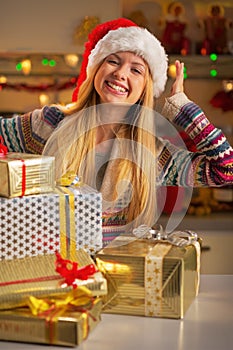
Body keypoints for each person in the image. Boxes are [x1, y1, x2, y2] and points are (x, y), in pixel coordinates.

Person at [0, 18, 233, 234]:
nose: (120, 73)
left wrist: (183, 109)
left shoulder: (151, 153)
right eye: (113, 61)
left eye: (136, 70)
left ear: (145, 89)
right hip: (47, 271)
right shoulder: (50, 123)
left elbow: (225, 170)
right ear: (96, 70)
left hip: (114, 275)